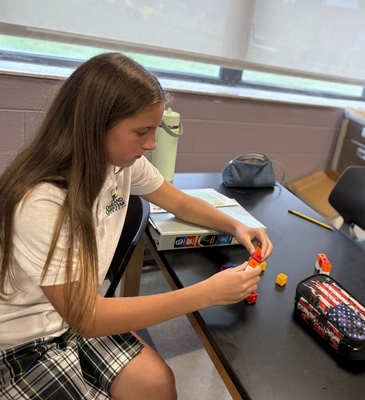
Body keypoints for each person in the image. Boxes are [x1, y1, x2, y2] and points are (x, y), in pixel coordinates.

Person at [0, 52, 273, 400]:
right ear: (93, 126)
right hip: (23, 337)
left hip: (75, 315)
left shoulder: (122, 164)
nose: (152, 144)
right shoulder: (41, 201)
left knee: (156, 383)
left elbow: (179, 201)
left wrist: (236, 225)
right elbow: (87, 318)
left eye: (154, 130)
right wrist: (205, 294)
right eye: (142, 132)